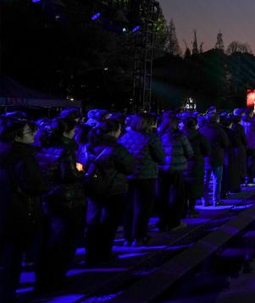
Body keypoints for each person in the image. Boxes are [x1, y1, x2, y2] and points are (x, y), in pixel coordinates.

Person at [33, 117, 86, 292]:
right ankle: (55, 279)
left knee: (46, 240)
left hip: (46, 197)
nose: (75, 134)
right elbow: (68, 175)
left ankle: (42, 278)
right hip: (65, 198)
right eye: (73, 131)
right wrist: (81, 170)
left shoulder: (40, 146)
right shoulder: (66, 150)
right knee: (62, 241)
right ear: (66, 132)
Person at [0, 118, 48, 302]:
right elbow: (36, 185)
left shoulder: (6, 153)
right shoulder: (23, 156)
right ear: (17, 136)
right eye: (29, 132)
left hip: (6, 210)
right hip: (18, 211)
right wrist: (47, 178)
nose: (34, 135)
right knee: (12, 259)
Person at [82, 119, 133, 264]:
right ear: (114, 132)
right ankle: (104, 254)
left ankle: (90, 255)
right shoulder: (116, 148)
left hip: (92, 188)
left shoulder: (87, 147)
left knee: (92, 222)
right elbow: (130, 167)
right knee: (109, 224)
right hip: (113, 189)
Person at [120, 113, 164, 246]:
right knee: (143, 208)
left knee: (129, 208)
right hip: (146, 175)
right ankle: (139, 237)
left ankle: (127, 237)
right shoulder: (150, 138)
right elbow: (160, 157)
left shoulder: (124, 137)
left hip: (128, 176)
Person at [156, 115, 192, 231]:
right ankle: (174, 222)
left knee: (162, 196)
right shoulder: (180, 137)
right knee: (175, 197)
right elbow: (189, 153)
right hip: (177, 170)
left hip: (161, 170)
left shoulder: (158, 136)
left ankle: (162, 221)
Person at [181, 116, 209, 215]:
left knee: (183, 187)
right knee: (194, 186)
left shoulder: (180, 135)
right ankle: (191, 209)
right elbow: (206, 149)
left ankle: (183, 209)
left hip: (182, 164)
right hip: (196, 163)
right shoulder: (199, 136)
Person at [199, 112, 229, 206]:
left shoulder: (201, 129)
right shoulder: (220, 130)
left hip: (205, 158)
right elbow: (226, 144)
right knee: (217, 180)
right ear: (217, 119)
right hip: (217, 157)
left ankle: (204, 200)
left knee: (205, 180)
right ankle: (215, 200)